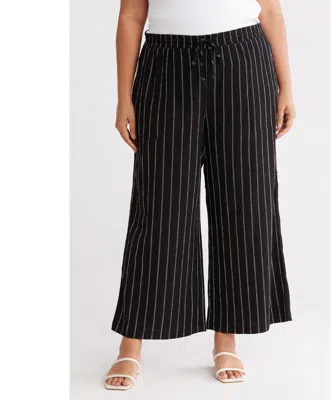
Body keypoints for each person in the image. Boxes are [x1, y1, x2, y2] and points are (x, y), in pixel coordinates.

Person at [104, 0, 295, 390]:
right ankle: (131, 342)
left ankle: (227, 338)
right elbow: (131, 16)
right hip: (166, 64)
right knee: (158, 208)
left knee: (244, 201)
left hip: (243, 61)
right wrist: (124, 96)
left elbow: (271, 11)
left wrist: (286, 86)